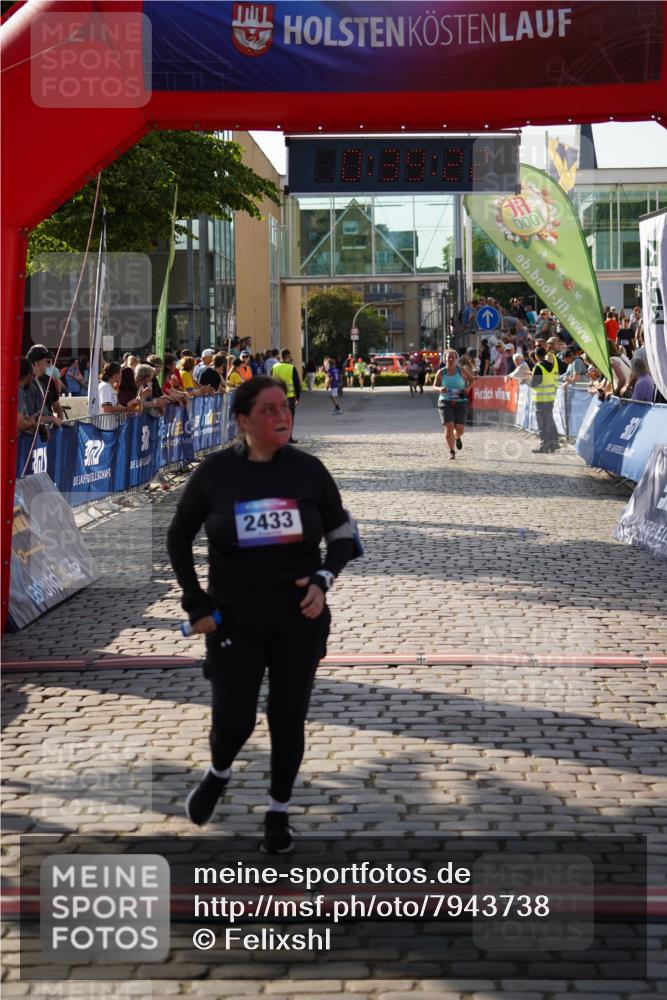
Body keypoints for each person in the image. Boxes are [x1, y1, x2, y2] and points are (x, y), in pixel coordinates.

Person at [167, 376, 355, 852]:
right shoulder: (215, 474)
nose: (282, 416)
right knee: (235, 721)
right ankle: (218, 772)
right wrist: (196, 601)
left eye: (285, 408)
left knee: (286, 718)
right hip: (234, 618)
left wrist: (322, 579)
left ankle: (278, 811)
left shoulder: (308, 471)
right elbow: (178, 537)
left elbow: (345, 538)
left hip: (299, 620)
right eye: (269, 410)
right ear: (243, 421)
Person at [434, 349, 473, 460]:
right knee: (449, 427)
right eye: (448, 357)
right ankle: (451, 451)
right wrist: (440, 388)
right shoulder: (441, 372)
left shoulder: (461, 371)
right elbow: (434, 385)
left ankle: (457, 437)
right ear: (445, 359)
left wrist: (467, 389)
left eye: (453, 357)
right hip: (445, 401)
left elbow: (472, 380)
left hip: (460, 401)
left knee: (460, 429)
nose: (450, 359)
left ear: (456, 359)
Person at [530, 346, 560, 453]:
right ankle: (553, 443)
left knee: (542, 423)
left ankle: (544, 445)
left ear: (537, 356)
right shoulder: (551, 366)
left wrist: (530, 381)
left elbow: (534, 383)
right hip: (550, 398)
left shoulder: (539, 367)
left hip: (541, 399)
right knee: (549, 420)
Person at [271, 348, 301, 444]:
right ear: (287, 356)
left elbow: (270, 381)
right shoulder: (291, 368)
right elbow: (297, 384)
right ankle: (288, 437)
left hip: (276, 397)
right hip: (289, 397)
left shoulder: (274, 367)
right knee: (289, 417)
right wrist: (298, 397)